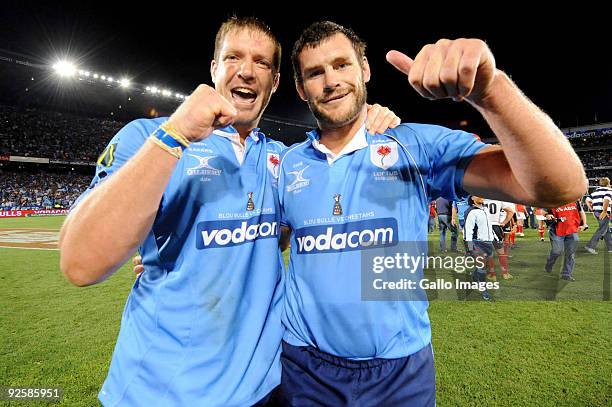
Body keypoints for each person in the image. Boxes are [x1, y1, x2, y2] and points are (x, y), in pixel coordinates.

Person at [59, 16, 399, 406]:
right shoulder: (149, 136)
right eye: (233, 57)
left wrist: (368, 122)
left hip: (265, 390)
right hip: (160, 393)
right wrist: (175, 134)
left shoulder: (284, 162)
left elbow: (283, 235)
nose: (246, 71)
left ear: (274, 82)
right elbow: (80, 264)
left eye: (261, 63)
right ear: (214, 68)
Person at [277, 21, 586, 406]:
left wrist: (491, 91)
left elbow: (562, 187)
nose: (331, 81)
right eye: (315, 72)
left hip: (400, 372)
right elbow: (274, 243)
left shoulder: (416, 145)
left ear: (365, 70)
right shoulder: (286, 164)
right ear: (300, 88)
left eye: (342, 65)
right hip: (305, 370)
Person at [544, 200, 587, 281]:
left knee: (570, 253)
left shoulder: (575, 200)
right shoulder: (552, 199)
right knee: (557, 251)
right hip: (556, 229)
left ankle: (566, 274)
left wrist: (584, 224)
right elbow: (543, 211)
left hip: (571, 230)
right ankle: (549, 264)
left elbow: (581, 211)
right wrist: (547, 215)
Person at [464, 195, 495, 300]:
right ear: (472, 198)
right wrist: (469, 247)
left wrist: (494, 237)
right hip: (477, 243)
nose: (482, 196)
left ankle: (473, 276)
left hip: (488, 243)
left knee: (483, 266)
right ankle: (484, 292)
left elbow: (488, 226)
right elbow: (468, 230)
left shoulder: (485, 209)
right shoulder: (471, 211)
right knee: (482, 268)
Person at [482, 198, 515, 280]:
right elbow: (511, 211)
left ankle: (492, 274)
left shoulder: (481, 200)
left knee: (488, 253)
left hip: (485, 227)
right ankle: (505, 273)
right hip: (497, 227)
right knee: (501, 252)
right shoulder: (498, 200)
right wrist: (504, 222)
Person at [584, 177, 612, 254]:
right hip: (603, 212)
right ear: (608, 183)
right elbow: (606, 199)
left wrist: (592, 209)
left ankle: (610, 248)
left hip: (596, 212)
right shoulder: (609, 190)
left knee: (607, 230)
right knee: (602, 229)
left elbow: (587, 200)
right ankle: (590, 246)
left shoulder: (595, 191)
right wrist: (604, 211)